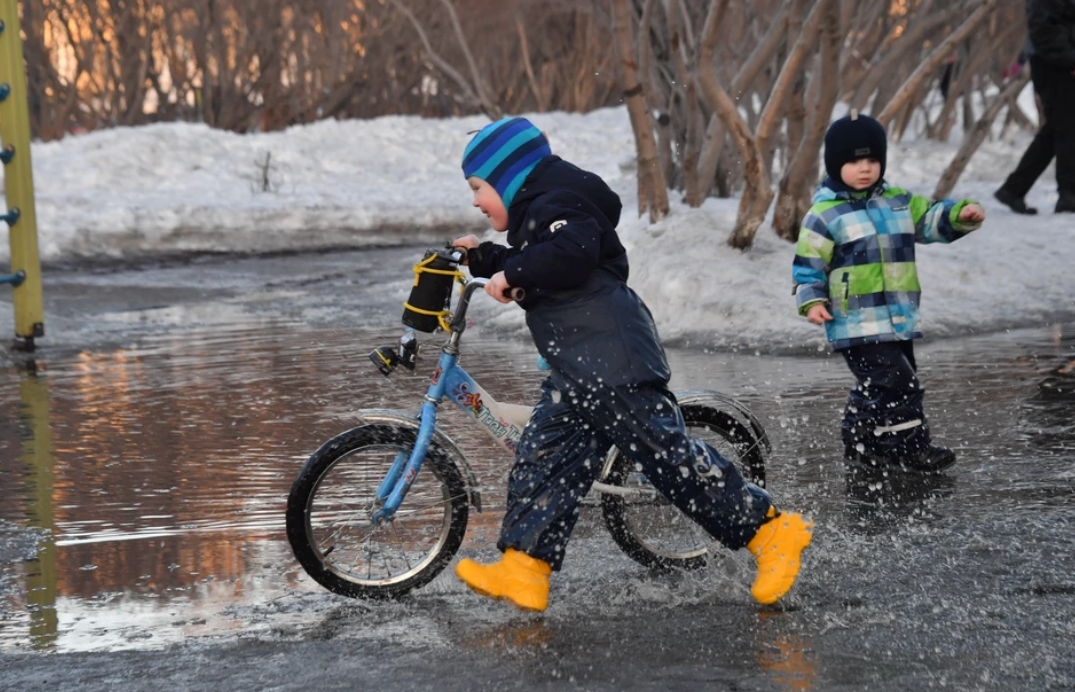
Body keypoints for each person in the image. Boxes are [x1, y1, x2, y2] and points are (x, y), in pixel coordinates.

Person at [450, 116, 813, 612]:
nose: (474, 199)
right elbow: (544, 257)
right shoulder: (544, 212)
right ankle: (524, 568)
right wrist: (486, 259)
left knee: (665, 456)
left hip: (612, 359)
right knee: (546, 457)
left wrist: (514, 270)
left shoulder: (558, 205)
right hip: (578, 367)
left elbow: (572, 253)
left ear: (509, 175)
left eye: (478, 187)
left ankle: (771, 531)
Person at [793, 112, 986, 472]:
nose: (864, 168)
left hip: (898, 316)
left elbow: (930, 219)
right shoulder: (825, 214)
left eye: (872, 160)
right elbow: (808, 263)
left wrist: (960, 215)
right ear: (836, 165)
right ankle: (910, 449)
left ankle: (862, 442)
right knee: (899, 383)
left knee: (879, 385)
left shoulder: (898, 201)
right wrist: (812, 300)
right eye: (854, 161)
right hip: (856, 321)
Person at [993, 0, 1075, 215]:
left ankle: (1014, 189)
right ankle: (1068, 195)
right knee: (1067, 128)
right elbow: (1044, 31)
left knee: (1056, 130)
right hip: (1055, 65)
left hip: (1060, 63)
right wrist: (1070, 59)